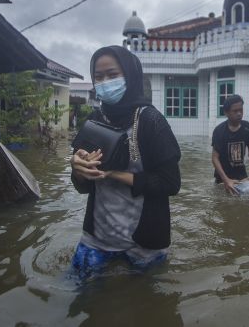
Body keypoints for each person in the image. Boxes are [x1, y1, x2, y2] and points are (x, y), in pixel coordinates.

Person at [69, 46, 181, 281]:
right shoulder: (95, 119)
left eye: (112, 75)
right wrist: (78, 170)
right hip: (98, 236)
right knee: (79, 294)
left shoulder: (152, 121)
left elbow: (171, 183)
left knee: (144, 304)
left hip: (144, 242)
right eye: (98, 77)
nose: (105, 82)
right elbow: (83, 186)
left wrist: (114, 174)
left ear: (130, 75)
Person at [211, 94, 249, 194]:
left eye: (241, 110)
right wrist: (226, 180)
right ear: (226, 113)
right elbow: (214, 157)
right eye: (235, 111)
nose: (239, 113)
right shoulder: (219, 131)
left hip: (242, 178)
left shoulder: (248, 128)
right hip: (222, 180)